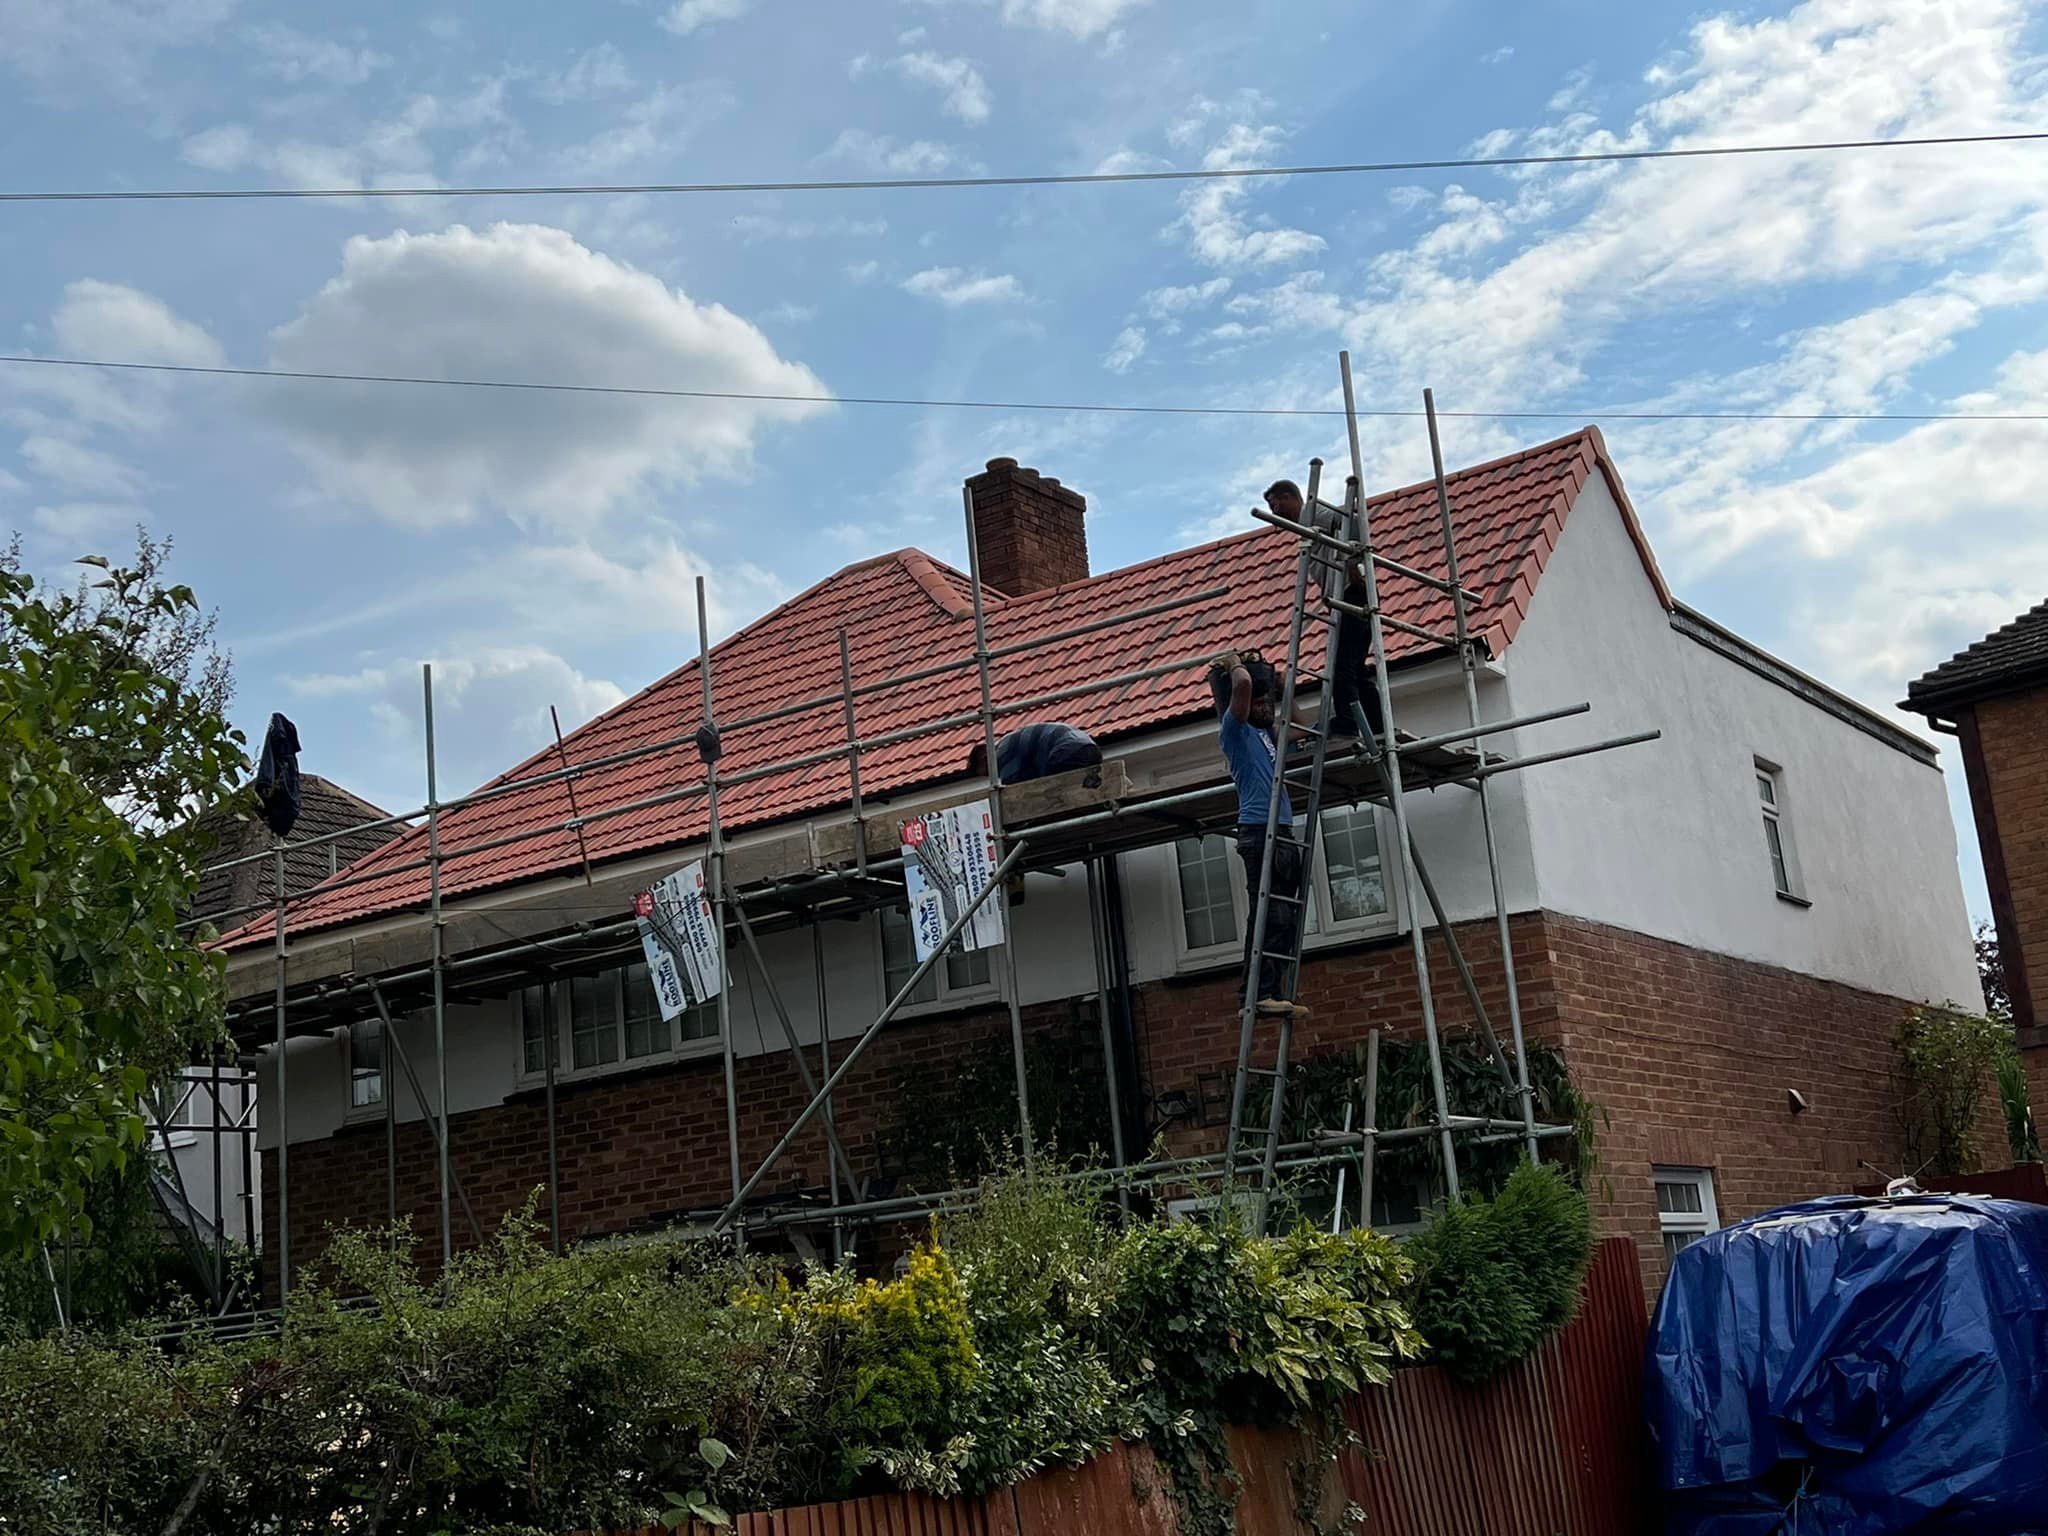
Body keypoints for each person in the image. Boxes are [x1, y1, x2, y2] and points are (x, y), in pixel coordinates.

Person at [1208, 649, 1310, 1020]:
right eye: (1261, 703)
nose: (1266, 706)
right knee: (1267, 914)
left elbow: (1304, 726)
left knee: (1283, 917)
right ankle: (1256, 993)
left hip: (1280, 831)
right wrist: (1234, 663)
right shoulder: (1234, 731)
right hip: (1257, 831)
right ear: (1245, 705)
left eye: (1269, 703)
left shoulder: (1267, 735)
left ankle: (1272, 991)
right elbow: (1245, 684)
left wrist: (1284, 691)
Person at [1263, 478, 1383, 742]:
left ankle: (1347, 723)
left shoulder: (1313, 513)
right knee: (1356, 668)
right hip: (1348, 597)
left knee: (1341, 666)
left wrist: (1352, 562)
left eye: (1276, 508)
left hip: (1351, 595)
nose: (1275, 517)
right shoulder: (1307, 529)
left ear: (1287, 498)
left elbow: (1351, 523)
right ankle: (1376, 726)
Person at [966, 721, 1104, 785]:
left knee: (1050, 789)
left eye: (987, 773)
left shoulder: (1002, 754)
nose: (992, 776)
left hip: (1066, 752)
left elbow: (1014, 786)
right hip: (1089, 747)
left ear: (985, 758)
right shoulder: (1009, 742)